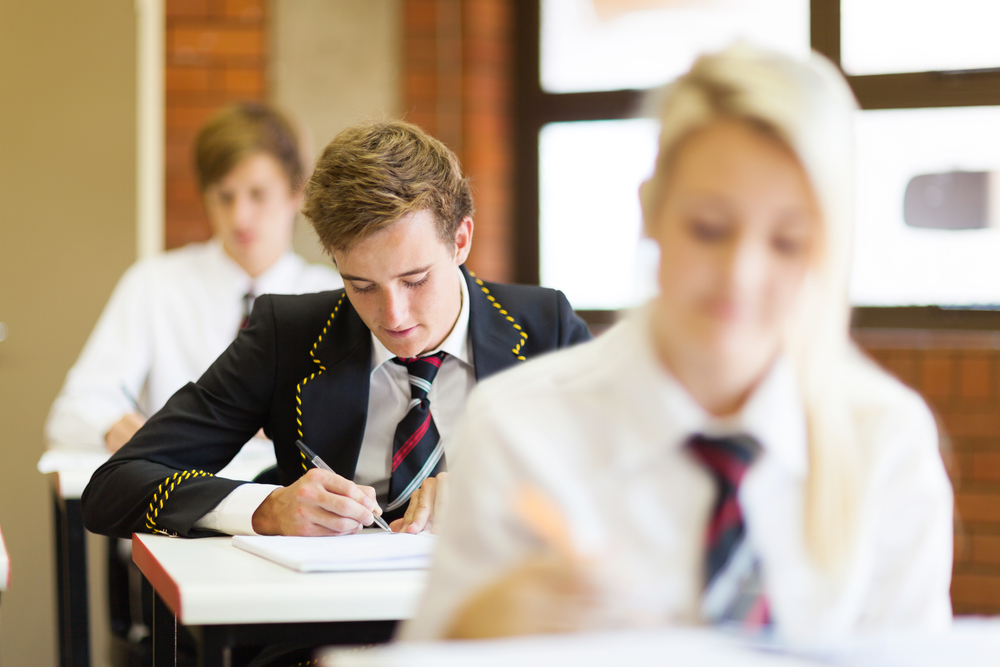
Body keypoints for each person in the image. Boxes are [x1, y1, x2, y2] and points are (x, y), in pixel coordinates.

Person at [401, 46, 954, 643]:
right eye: (709, 229)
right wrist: (484, 631)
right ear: (652, 213)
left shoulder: (885, 441)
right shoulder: (521, 429)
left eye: (789, 241)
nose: (740, 275)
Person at [80, 119, 592, 540]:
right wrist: (267, 509)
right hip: (327, 636)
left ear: (461, 240)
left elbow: (643, 473)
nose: (393, 316)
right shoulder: (290, 334)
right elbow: (114, 488)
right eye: (362, 285)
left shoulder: (543, 325)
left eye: (415, 280)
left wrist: (505, 491)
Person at [47, 102, 342, 453]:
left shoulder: (334, 296)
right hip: (181, 497)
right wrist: (113, 426)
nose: (240, 218)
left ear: (296, 193)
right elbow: (71, 413)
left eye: (258, 194)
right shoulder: (154, 284)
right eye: (224, 197)